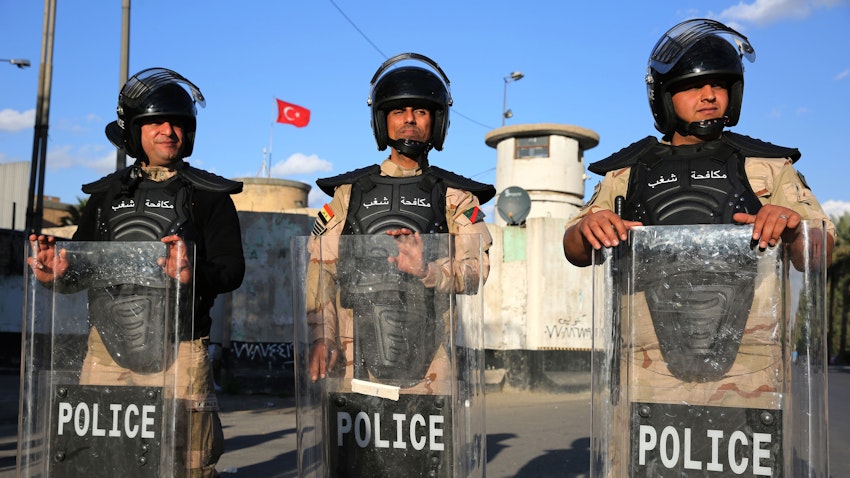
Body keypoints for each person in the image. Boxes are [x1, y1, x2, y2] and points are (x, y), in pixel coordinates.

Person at [27, 67, 244, 478]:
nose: (168, 130)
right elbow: (80, 269)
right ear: (133, 130)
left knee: (187, 462)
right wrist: (54, 275)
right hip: (104, 351)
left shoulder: (208, 195)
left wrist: (191, 271)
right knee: (102, 458)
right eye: (155, 122)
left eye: (177, 122)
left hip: (180, 349)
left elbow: (231, 270)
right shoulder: (106, 196)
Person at [563, 18, 834, 266]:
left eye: (718, 85)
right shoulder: (628, 172)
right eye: (693, 85)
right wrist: (588, 229)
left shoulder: (768, 166)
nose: (709, 96)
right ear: (664, 97)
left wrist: (795, 231)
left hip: (754, 321)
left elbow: (819, 253)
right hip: (643, 319)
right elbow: (574, 249)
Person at [305, 52, 495, 391]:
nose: (410, 119)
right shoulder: (349, 195)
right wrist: (323, 337)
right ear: (382, 120)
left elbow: (476, 270)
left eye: (420, 111)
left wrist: (428, 269)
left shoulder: (455, 197)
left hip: (431, 356)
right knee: (356, 445)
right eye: (398, 111)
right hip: (353, 355)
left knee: (433, 444)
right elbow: (321, 271)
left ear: (436, 121)